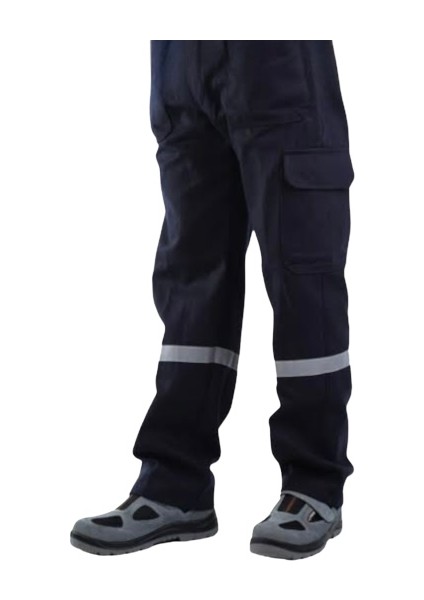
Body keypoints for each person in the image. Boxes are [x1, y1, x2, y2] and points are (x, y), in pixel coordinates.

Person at [70, 40, 354, 560]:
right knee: (191, 280)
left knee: (303, 276)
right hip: (180, 57)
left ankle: (315, 482)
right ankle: (175, 485)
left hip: (278, 54)